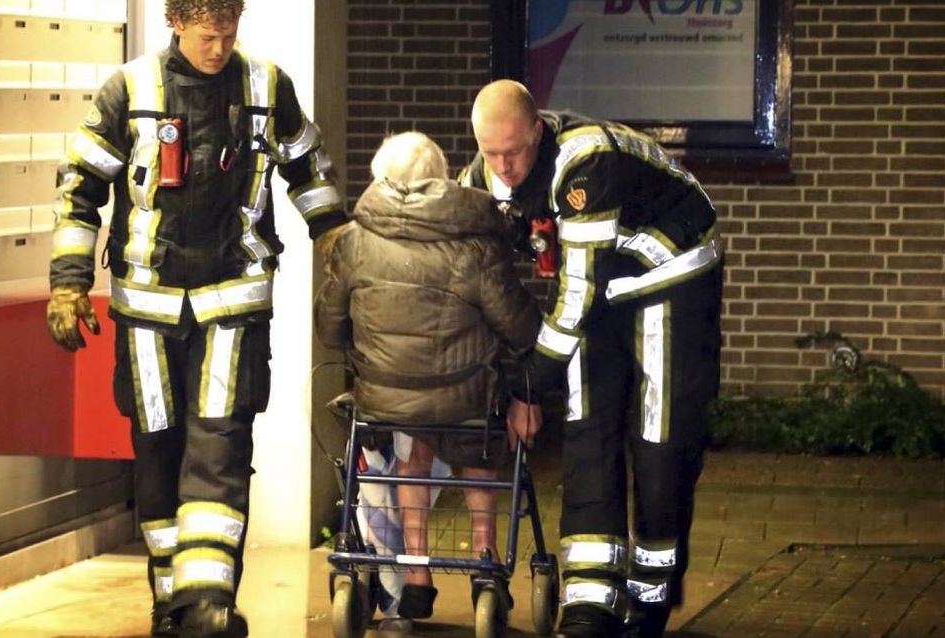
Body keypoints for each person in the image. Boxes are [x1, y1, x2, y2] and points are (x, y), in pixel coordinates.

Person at [45, 1, 345, 636]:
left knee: (220, 443)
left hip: (234, 300)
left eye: (230, 34)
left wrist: (336, 239)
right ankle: (169, 600)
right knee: (157, 449)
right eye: (209, 36)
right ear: (176, 25)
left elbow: (308, 169)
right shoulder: (128, 90)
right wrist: (68, 284)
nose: (220, 48)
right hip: (147, 310)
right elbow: (80, 188)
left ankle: (206, 600)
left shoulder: (266, 84)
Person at [460, 80, 723, 638]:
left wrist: (528, 384)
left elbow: (578, 291)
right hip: (597, 286)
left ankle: (649, 597)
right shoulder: (478, 176)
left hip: (667, 274)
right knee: (587, 428)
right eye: (490, 153)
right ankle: (588, 603)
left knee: (659, 438)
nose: (503, 167)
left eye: (514, 151)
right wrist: (509, 378)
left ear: (538, 129)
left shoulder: (585, 162)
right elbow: (485, 282)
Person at [314, 131, 541, 622]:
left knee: (415, 449)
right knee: (478, 449)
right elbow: (521, 327)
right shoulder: (477, 245)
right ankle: (484, 562)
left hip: (384, 399)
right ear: (440, 181)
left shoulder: (353, 242)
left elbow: (330, 329)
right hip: (467, 399)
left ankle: (416, 572)